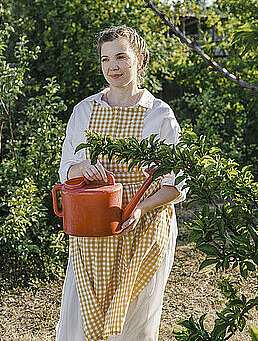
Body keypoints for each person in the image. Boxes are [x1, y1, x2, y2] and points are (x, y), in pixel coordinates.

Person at [55, 25, 186, 341]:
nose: (112, 66)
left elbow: (176, 184)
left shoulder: (159, 115)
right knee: (79, 325)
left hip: (143, 232)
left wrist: (140, 208)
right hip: (93, 231)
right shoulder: (84, 111)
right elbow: (65, 172)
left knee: (135, 328)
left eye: (121, 57)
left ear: (139, 59)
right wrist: (82, 168)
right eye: (105, 59)